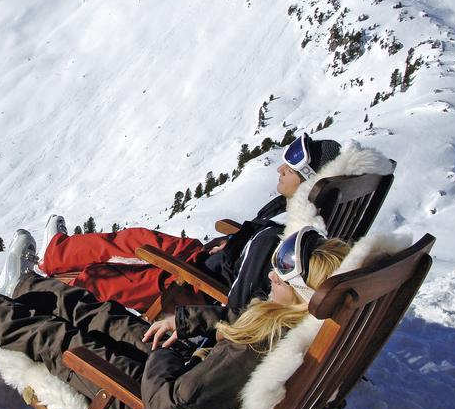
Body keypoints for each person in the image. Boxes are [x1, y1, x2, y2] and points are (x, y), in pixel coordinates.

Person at [0, 227, 351, 409]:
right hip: (184, 373)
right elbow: (232, 329)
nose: (273, 274)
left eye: (283, 268)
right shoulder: (287, 327)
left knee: (58, 340)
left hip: (148, 408)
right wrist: (184, 322)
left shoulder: (261, 346)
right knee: (102, 314)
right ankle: (24, 286)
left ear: (300, 292)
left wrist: (168, 352)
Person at [38, 133, 347, 314]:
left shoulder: (285, 238)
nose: (280, 167)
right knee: (137, 238)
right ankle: (57, 254)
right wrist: (237, 242)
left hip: (199, 284)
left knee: (104, 276)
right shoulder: (296, 214)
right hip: (211, 258)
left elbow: (239, 303)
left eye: (291, 168)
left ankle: (38, 296)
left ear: (308, 181)